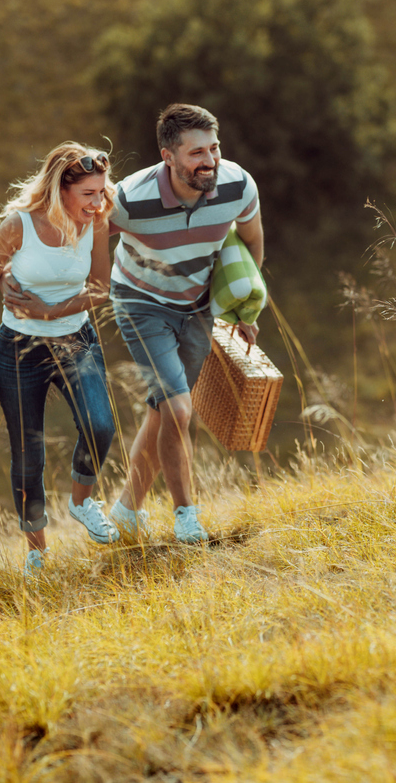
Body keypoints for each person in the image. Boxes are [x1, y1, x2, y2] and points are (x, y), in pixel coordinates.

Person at [0, 142, 120, 577]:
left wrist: (50, 312)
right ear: (62, 189)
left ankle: (81, 502)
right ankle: (37, 550)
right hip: (19, 350)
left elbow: (99, 288)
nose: (97, 203)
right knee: (28, 455)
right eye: (88, 194)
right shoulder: (18, 226)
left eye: (101, 192)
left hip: (75, 338)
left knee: (100, 425)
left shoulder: (95, 223)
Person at [106, 103, 263, 543]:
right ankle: (186, 519)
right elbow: (88, 231)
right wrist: (84, 289)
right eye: (196, 153)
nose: (210, 160)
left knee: (165, 411)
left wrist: (242, 309)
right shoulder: (129, 199)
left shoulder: (237, 185)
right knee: (177, 409)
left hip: (198, 306)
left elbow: (251, 245)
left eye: (213, 148)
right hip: (140, 303)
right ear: (167, 157)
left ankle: (125, 511)